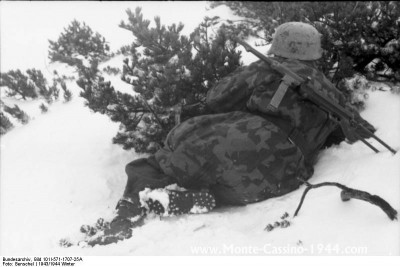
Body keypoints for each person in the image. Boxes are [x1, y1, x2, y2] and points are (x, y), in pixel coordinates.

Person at [79, 22, 375, 246]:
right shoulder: (330, 92)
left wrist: (192, 118)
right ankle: (210, 198)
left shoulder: (265, 69)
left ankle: (131, 208)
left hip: (242, 139)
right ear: (314, 51)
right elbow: (353, 131)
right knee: (235, 181)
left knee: (172, 153)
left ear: (279, 45)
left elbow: (218, 99)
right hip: (283, 173)